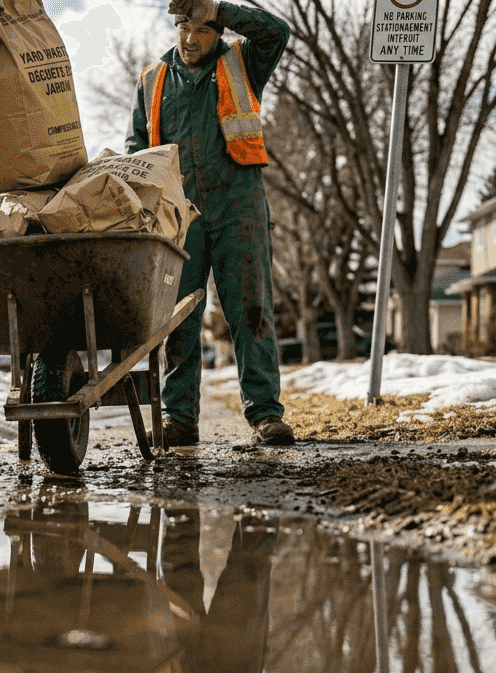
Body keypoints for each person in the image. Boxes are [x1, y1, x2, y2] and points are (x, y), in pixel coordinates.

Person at [127, 0, 295, 447]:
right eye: (184, 27)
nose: (190, 38)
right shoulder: (152, 80)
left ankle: (265, 414)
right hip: (182, 216)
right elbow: (137, 149)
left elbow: (277, 31)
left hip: (238, 205)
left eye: (202, 29)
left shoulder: (242, 62)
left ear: (218, 30)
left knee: (250, 310)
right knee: (179, 317)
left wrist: (218, 6)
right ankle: (179, 418)